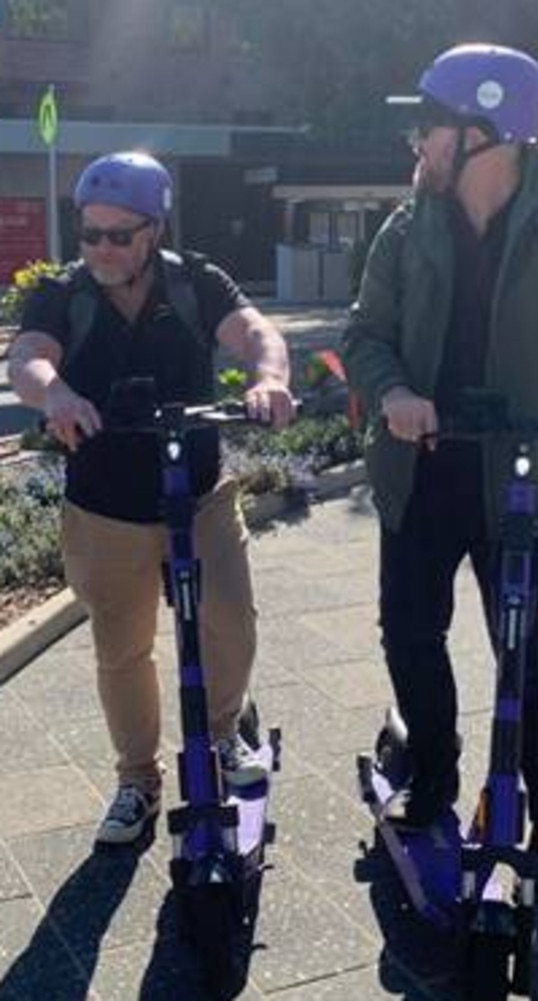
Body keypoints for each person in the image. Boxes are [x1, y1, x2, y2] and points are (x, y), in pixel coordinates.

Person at [342, 43, 538, 893]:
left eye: (428, 126)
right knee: (410, 631)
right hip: (422, 477)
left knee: (531, 656)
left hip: (535, 483)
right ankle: (432, 778)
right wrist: (394, 387)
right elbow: (364, 335)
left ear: (482, 132)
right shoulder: (409, 229)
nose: (417, 143)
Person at [8, 151, 294, 845]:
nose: (101, 248)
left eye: (119, 234)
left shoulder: (196, 282)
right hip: (105, 503)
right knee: (122, 648)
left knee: (231, 617)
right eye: (90, 233)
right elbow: (28, 357)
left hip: (196, 491)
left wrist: (269, 376)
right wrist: (59, 393)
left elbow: (257, 332)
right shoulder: (64, 292)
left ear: (154, 230)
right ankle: (138, 779)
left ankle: (225, 731)